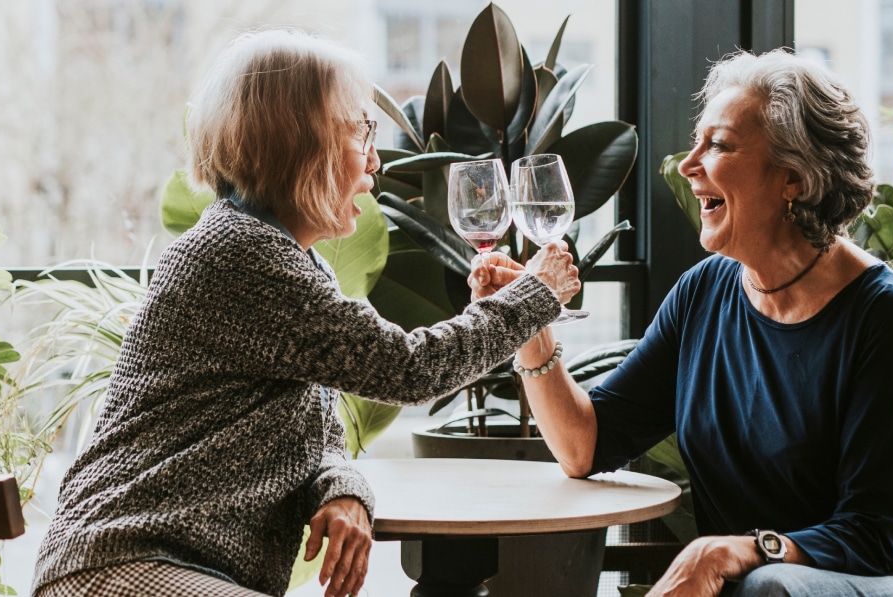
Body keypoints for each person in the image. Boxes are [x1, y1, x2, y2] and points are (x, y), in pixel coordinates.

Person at [32, 29, 580, 597]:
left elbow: (320, 434)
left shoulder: (284, 258)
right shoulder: (242, 253)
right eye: (361, 132)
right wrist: (536, 291)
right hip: (122, 562)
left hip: (158, 561)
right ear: (301, 143)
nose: (374, 161)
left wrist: (344, 488)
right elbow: (410, 370)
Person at [501, 50, 893, 597]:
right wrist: (528, 321)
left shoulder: (887, 314)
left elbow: (869, 536)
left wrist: (729, 551)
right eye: (696, 142)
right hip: (772, 582)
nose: (689, 165)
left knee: (771, 587)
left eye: (719, 145)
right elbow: (584, 446)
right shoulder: (703, 293)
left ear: (794, 178)